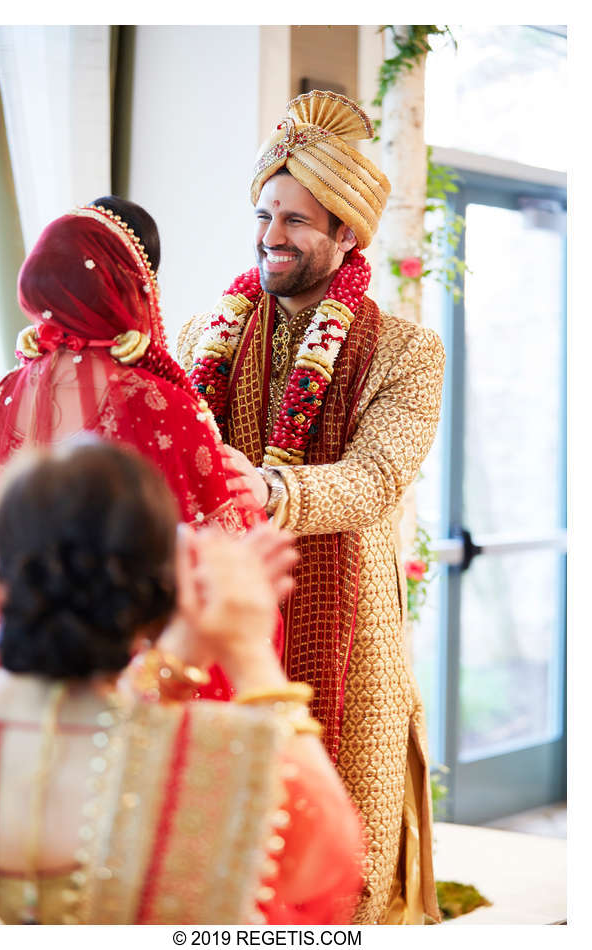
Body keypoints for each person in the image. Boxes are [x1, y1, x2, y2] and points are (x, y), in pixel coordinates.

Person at [177, 90, 445, 924]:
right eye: (265, 214)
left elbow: (376, 477)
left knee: (346, 859)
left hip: (348, 633)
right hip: (223, 623)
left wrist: (269, 488)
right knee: (224, 857)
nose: (271, 237)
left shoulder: (408, 352)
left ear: (346, 233)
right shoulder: (198, 341)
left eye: (296, 221)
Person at [0, 440, 364, 924]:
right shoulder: (211, 756)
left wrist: (185, 648)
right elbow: (332, 863)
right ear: (155, 602)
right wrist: (244, 645)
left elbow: (100, 736)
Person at [0, 197, 255, 671]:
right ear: (134, 287)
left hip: (26, 653)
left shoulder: (2, 396)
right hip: (131, 666)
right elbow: (217, 548)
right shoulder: (157, 402)